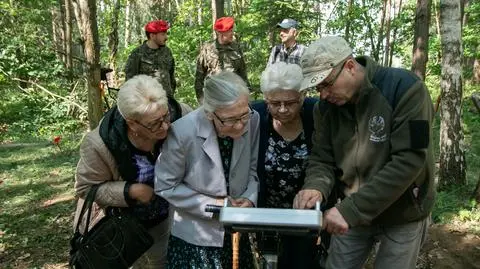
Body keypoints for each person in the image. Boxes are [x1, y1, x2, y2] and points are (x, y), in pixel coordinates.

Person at [293, 36, 436, 269]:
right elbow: (322, 158)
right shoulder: (326, 109)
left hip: (403, 213)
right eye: (317, 88)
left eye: (326, 84)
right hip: (352, 214)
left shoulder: (406, 89)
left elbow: (410, 160)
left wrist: (351, 210)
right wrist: (316, 186)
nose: (323, 95)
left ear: (349, 66)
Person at [73, 75, 189, 269]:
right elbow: (85, 188)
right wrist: (131, 191)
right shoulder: (100, 144)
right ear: (132, 123)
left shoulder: (181, 113)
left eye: (165, 115)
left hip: (176, 214)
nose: (165, 126)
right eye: (154, 124)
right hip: (130, 223)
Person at [154, 71, 259, 268]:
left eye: (244, 115)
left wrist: (249, 198)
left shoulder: (253, 120)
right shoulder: (182, 132)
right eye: (230, 120)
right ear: (210, 113)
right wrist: (215, 205)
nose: (240, 126)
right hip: (195, 238)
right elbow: (165, 186)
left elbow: (252, 169)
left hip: (236, 232)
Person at [251, 62, 320, 269]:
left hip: (306, 215)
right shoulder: (255, 115)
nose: (282, 109)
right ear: (266, 99)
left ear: (302, 96)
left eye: (290, 102)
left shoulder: (316, 114)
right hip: (267, 215)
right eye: (275, 103)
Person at [194, 16, 250, 104]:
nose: (232, 33)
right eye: (229, 31)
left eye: (232, 30)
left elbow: (243, 74)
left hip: (234, 96)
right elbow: (199, 78)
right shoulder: (207, 50)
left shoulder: (236, 48)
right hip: (215, 98)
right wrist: (201, 100)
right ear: (220, 33)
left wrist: (247, 96)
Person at [125, 20, 176, 97]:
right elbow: (130, 80)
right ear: (152, 36)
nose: (166, 37)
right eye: (162, 34)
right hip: (147, 102)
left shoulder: (167, 52)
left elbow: (171, 76)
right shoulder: (137, 54)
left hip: (167, 100)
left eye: (166, 34)